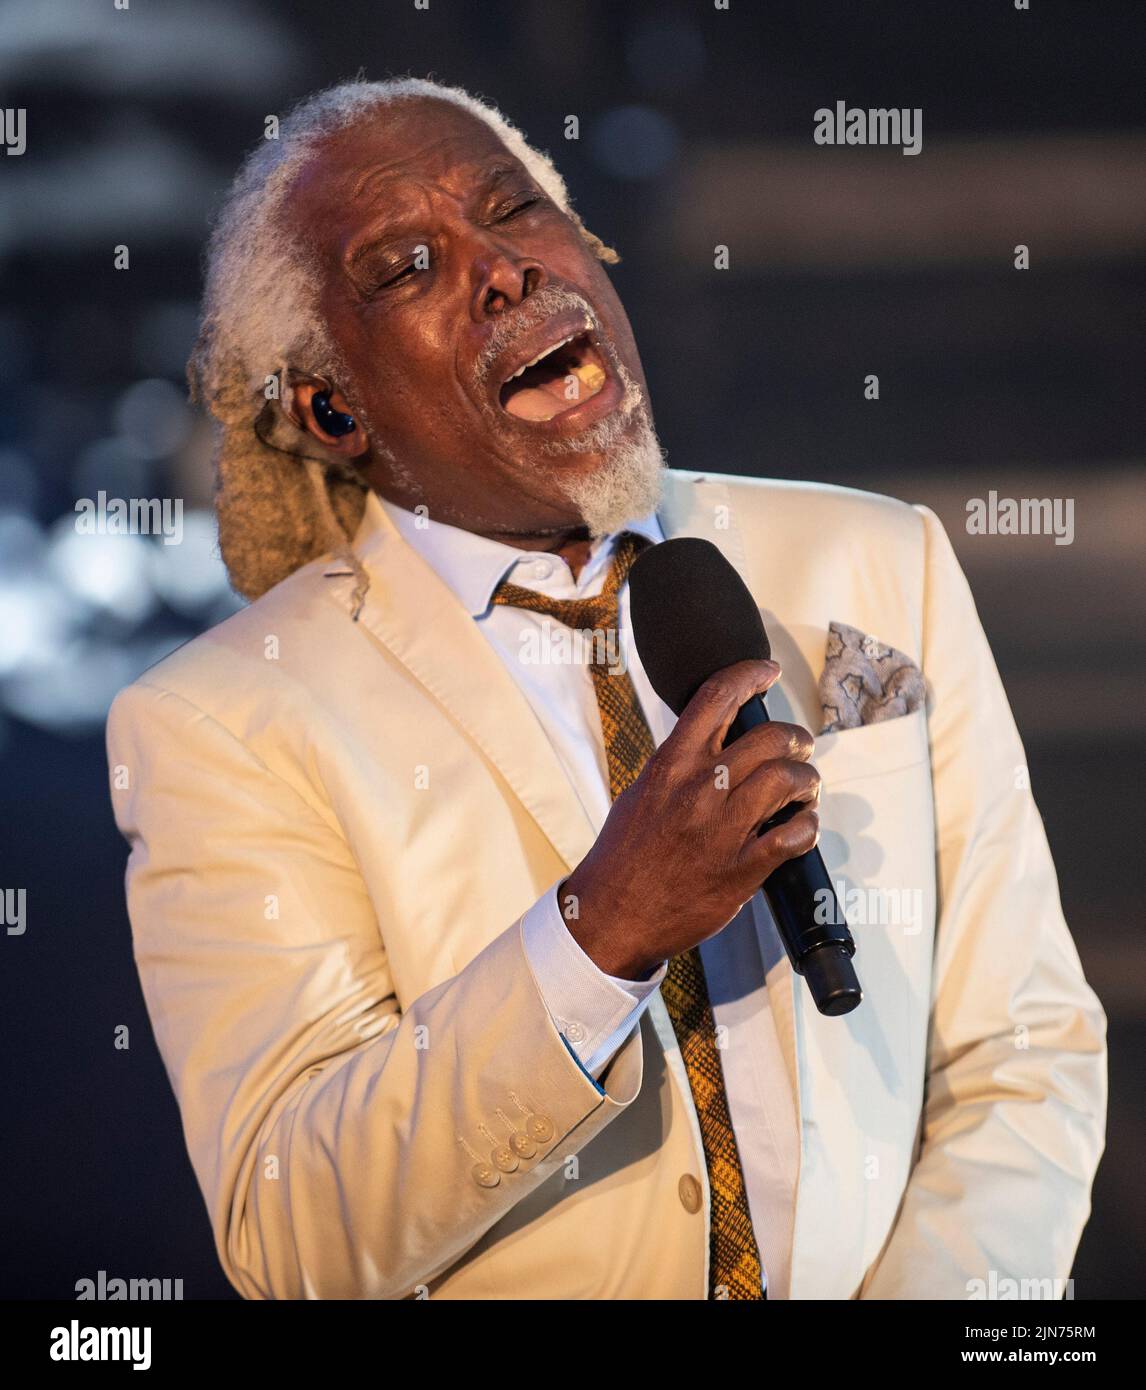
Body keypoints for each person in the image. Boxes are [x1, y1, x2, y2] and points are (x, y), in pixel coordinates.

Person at [106, 78, 1106, 1300]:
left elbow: (1024, 1053)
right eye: (409, 264)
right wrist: (599, 937)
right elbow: (294, 1228)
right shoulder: (225, 721)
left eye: (514, 208)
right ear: (331, 408)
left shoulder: (876, 563)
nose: (504, 271)